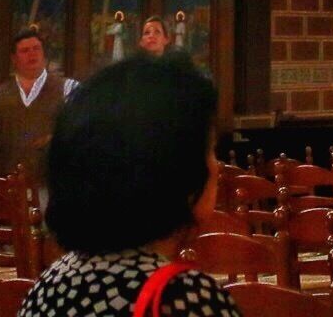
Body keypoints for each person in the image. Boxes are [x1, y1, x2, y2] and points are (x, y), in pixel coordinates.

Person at [21, 56, 238, 317]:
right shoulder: (185, 298)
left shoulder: (48, 285)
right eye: (210, 150)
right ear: (175, 168)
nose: (217, 167)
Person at [0, 27, 75, 179]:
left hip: (53, 185)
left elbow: (85, 130)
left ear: (43, 53)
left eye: (36, 48)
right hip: (8, 185)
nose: (32, 54)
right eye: (25, 50)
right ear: (14, 58)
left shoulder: (69, 88)